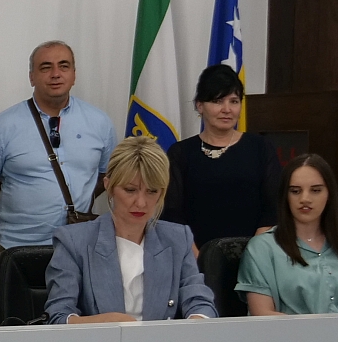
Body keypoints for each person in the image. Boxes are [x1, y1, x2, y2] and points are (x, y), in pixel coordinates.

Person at [44, 136, 216, 323]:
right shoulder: (73, 241)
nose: (141, 203)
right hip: (100, 341)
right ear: (109, 186)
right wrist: (105, 322)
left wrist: (198, 320)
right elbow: (58, 316)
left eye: (152, 191)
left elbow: (200, 301)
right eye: (130, 190)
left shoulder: (178, 238)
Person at [0, 40, 118, 250]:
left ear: (74, 74)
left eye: (63, 66)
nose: (55, 74)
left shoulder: (100, 123)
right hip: (18, 244)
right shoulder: (1, 126)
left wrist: (76, 197)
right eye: (46, 67)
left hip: (78, 243)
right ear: (31, 77)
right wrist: (20, 207)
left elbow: (108, 175)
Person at [237, 154, 338, 315]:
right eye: (295, 191)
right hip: (289, 331)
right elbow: (262, 314)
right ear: (285, 196)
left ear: (329, 195)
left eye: (315, 190)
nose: (305, 199)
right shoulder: (262, 248)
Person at [163, 64, 281, 247]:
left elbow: (273, 209)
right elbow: (172, 215)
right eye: (218, 101)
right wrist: (198, 259)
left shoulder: (260, 147)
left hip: (254, 254)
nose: (227, 109)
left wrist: (253, 255)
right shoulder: (180, 153)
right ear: (200, 105)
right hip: (194, 256)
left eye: (234, 101)